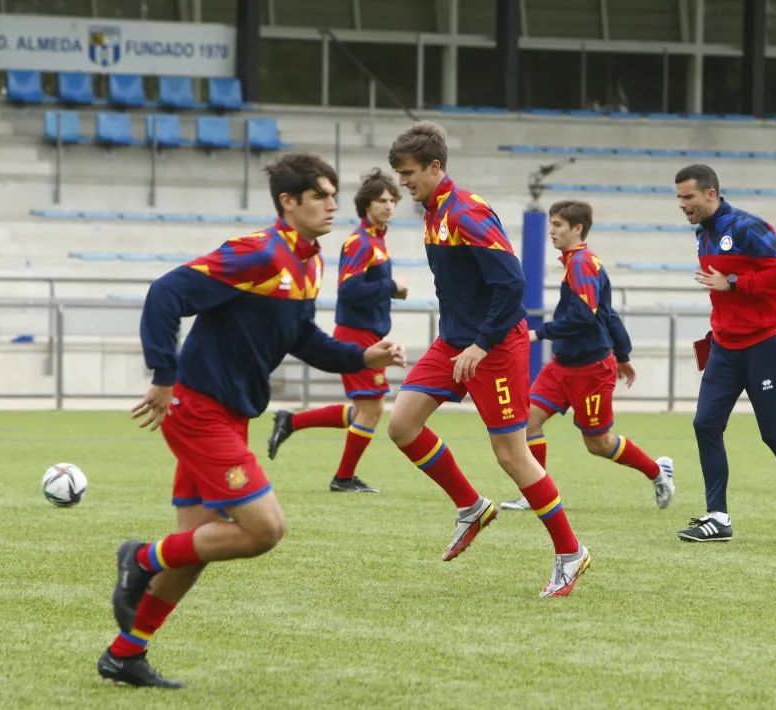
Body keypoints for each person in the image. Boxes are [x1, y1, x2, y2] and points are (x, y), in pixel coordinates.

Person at [99, 153, 406, 688]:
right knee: (265, 529)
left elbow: (303, 338)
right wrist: (163, 374)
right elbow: (166, 292)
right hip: (198, 410)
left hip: (231, 412)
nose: (332, 204)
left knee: (195, 549)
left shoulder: (309, 261)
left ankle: (125, 655)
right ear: (288, 202)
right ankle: (140, 557)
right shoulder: (258, 252)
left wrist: (363, 356)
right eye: (320, 196)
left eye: (334, 195)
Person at [386, 122, 591, 597]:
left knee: (512, 455)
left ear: (435, 167)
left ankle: (571, 552)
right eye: (399, 173)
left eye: (409, 172)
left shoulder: (466, 212)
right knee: (402, 425)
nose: (403, 182)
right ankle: (471, 507)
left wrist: (480, 345)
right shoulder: (433, 211)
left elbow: (512, 283)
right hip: (453, 343)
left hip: (493, 347)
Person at [672, 164, 776, 544]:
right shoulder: (703, 235)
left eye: (688, 197)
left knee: (774, 433)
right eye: (679, 198)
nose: (682, 204)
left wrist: (734, 282)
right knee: (705, 424)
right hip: (725, 346)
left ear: (710, 194)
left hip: (765, 345)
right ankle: (717, 518)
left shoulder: (748, 228)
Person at [499, 200, 675, 512]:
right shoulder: (576, 262)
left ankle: (657, 471)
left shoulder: (582, 264)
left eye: (558, 225)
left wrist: (539, 333)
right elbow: (608, 314)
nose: (552, 231)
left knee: (598, 444)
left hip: (591, 370)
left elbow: (584, 316)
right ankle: (535, 494)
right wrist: (624, 354)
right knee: (528, 421)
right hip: (561, 366)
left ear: (577, 228)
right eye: (551, 224)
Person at [267, 169, 409, 493]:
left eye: (392, 200)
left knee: (362, 409)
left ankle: (291, 421)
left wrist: (390, 291)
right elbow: (348, 289)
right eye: (381, 200)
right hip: (357, 333)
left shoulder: (376, 240)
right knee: (372, 408)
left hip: (366, 332)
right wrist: (391, 286)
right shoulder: (361, 242)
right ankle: (343, 478)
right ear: (366, 205)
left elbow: (365, 287)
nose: (388, 206)